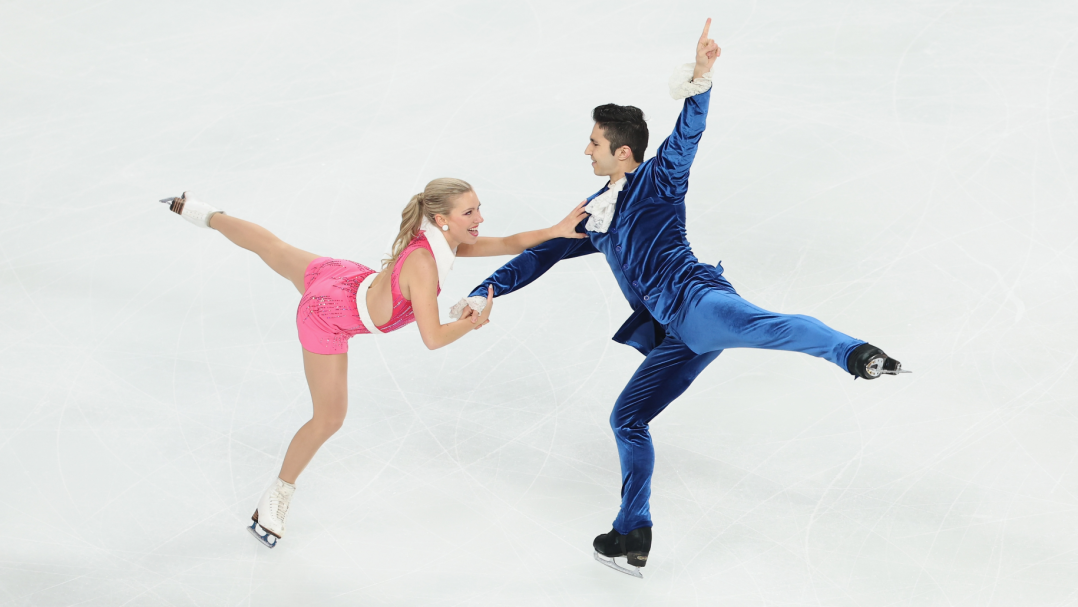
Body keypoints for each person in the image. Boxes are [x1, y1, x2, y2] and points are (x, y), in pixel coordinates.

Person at [452, 19, 907, 577]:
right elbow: (541, 254)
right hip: (674, 333)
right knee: (627, 419)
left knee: (767, 325)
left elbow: (686, 137)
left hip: (697, 301)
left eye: (593, 142)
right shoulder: (596, 211)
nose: (585, 149)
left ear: (623, 153)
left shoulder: (658, 180)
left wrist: (701, 78)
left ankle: (856, 353)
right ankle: (631, 532)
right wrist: (484, 289)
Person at [158, 178, 589, 548]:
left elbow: (509, 244)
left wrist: (556, 229)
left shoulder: (443, 239)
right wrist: (473, 323)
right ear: (443, 219)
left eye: (479, 208)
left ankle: (201, 211)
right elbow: (434, 338)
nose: (480, 218)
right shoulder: (423, 263)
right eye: (470, 211)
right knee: (329, 419)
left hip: (344, 278)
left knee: (273, 247)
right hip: (327, 316)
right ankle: (278, 493)